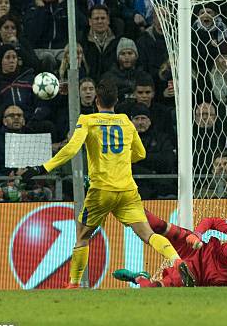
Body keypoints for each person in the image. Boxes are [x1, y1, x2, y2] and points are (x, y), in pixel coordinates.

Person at [20, 79, 195, 288]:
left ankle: (74, 284)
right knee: (148, 234)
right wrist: (119, 159)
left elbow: (71, 148)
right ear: (117, 101)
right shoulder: (125, 121)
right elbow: (141, 154)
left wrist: (42, 168)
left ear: (96, 101)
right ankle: (177, 260)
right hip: (128, 190)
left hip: (101, 190)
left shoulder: (88, 120)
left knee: (83, 236)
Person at [113, 213, 227, 287]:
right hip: (199, 249)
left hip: (198, 274)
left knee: (153, 289)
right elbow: (210, 221)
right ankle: (127, 203)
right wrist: (197, 234)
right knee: (159, 225)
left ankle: (139, 278)